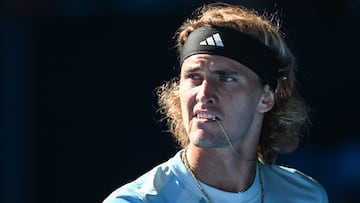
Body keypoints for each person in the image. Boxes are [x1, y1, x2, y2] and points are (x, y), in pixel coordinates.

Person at [103, 2, 328, 203]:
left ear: (266, 97)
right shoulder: (136, 201)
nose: (204, 93)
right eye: (193, 77)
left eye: (226, 78)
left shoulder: (307, 195)